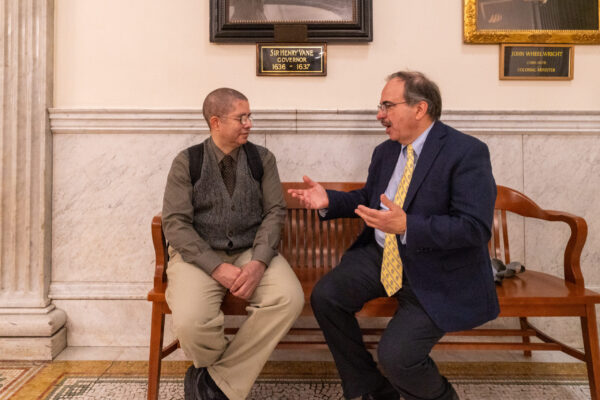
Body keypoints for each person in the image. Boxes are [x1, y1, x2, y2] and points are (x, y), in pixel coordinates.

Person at [288, 71, 499, 400]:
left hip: (435, 270)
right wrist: (330, 200)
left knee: (398, 357)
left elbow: (474, 227)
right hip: (381, 256)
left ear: (419, 108)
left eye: (388, 105)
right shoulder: (386, 152)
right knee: (326, 296)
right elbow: (368, 200)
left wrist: (408, 226)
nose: (379, 115)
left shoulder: (465, 152)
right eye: (380, 105)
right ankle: (371, 389)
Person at [162, 87, 304, 400]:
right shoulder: (187, 162)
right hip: (198, 256)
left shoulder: (262, 159)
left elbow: (275, 212)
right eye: (241, 117)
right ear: (216, 122)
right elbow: (176, 224)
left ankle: (213, 382)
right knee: (190, 322)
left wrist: (259, 262)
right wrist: (215, 267)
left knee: (289, 298)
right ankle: (220, 379)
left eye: (249, 116)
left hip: (252, 250)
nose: (249, 123)